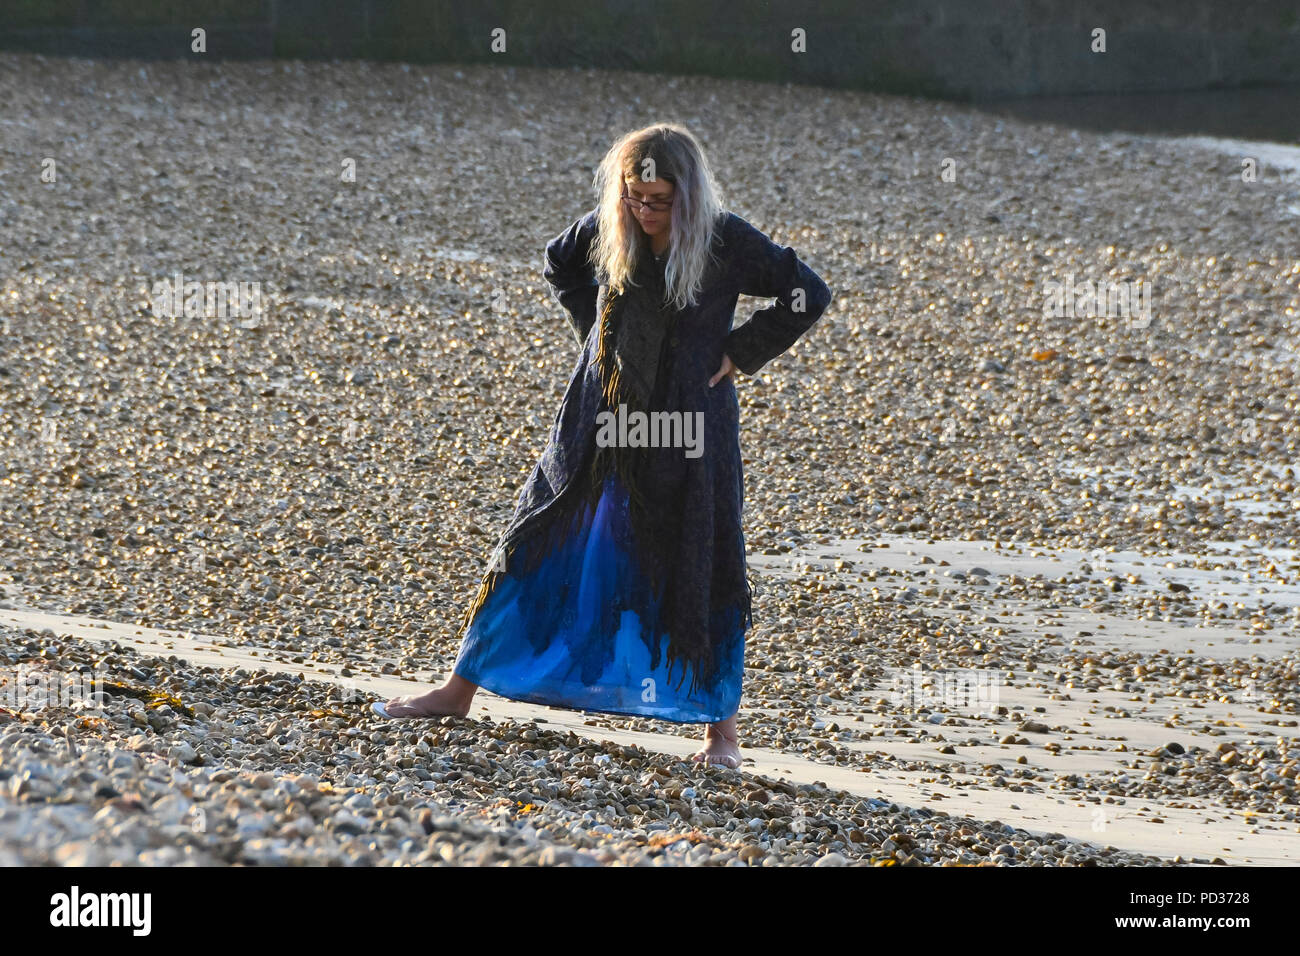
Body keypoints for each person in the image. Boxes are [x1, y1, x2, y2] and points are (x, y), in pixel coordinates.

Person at [374, 123, 832, 770]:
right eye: (635, 198)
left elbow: (806, 293)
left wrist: (740, 350)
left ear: (689, 195)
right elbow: (559, 262)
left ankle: (721, 736)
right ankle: (457, 691)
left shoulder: (727, 240)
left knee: (700, 552)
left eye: (659, 201)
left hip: (689, 428)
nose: (645, 212)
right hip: (598, 417)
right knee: (539, 535)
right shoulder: (609, 224)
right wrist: (597, 334)